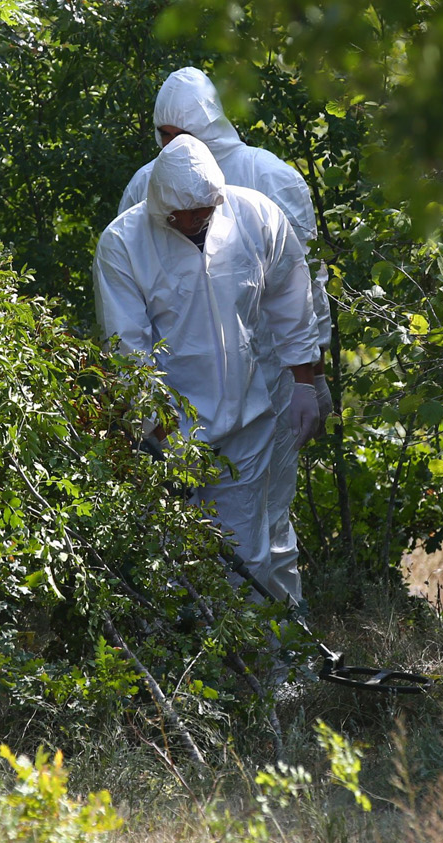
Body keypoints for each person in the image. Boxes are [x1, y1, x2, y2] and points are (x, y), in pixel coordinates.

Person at [117, 66, 330, 604]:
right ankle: (203, 668)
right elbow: (129, 325)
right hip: (180, 398)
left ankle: (280, 653)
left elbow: (299, 285)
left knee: (263, 528)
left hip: (266, 386)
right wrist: (153, 421)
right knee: (195, 541)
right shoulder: (145, 194)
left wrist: (310, 375)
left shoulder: (265, 185)